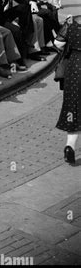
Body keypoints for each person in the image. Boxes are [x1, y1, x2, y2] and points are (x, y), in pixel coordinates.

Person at [54, 15, 80, 165]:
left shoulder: (72, 22)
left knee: (73, 106)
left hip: (74, 67)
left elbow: (57, 43)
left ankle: (70, 146)